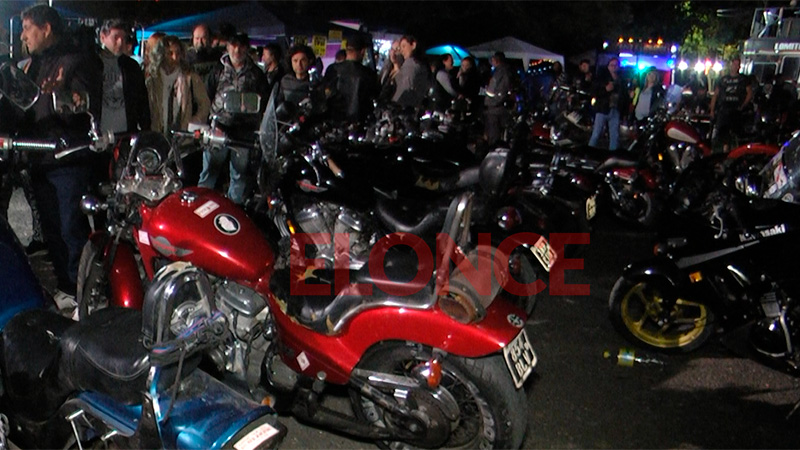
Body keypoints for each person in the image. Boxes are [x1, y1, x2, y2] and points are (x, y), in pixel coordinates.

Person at [18, 4, 103, 309]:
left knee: (70, 230)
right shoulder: (31, 66)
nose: (23, 36)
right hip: (39, 157)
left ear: (46, 28)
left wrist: (60, 99)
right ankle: (67, 287)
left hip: (68, 159)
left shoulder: (76, 61)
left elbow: (84, 106)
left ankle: (86, 295)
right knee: (51, 229)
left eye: (27, 28)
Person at [199, 32, 267, 205]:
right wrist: (208, 123)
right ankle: (200, 206)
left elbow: (263, 101)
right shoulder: (218, 70)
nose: (237, 50)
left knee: (239, 173)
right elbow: (206, 96)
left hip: (245, 130)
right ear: (228, 47)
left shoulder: (256, 73)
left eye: (241, 46)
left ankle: (234, 209)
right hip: (219, 126)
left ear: (247, 48)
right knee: (209, 170)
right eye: (233, 45)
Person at [145, 35, 210, 136]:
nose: (175, 57)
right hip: (158, 136)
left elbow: (205, 104)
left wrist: (194, 121)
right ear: (161, 55)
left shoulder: (190, 78)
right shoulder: (152, 81)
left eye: (178, 53)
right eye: (170, 53)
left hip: (183, 137)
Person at [98, 19, 150, 135]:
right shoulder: (93, 65)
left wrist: (145, 129)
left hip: (126, 132)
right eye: (116, 37)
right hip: (100, 132)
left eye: (124, 38)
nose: (120, 42)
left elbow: (142, 102)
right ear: (103, 37)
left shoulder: (131, 67)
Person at [323, 35, 378, 122]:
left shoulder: (332, 70)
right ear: (362, 51)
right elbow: (374, 98)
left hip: (334, 121)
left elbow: (324, 96)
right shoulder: (368, 74)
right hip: (359, 122)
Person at [710, 57, 754, 152]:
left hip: (736, 110)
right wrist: (712, 110)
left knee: (736, 133)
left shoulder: (743, 79)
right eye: (734, 64)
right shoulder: (723, 79)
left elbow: (749, 93)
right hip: (724, 110)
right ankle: (724, 151)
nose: (735, 67)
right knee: (723, 133)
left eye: (737, 65)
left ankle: (737, 151)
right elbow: (715, 95)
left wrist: (743, 105)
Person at [589, 57, 627, 150]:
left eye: (616, 65)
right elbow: (594, 92)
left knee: (614, 135)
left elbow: (623, 96)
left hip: (615, 109)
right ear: (608, 66)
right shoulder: (601, 78)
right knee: (596, 133)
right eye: (612, 65)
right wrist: (605, 90)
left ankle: (612, 153)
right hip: (603, 109)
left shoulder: (621, 79)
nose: (614, 67)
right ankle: (589, 151)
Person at [391, 35, 429, 108]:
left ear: (413, 45)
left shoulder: (410, 63)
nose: (401, 50)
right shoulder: (420, 64)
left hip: (401, 106)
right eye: (400, 48)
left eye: (404, 46)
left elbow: (406, 88)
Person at [484, 51, 512, 145]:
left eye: (493, 60)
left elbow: (499, 90)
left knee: (494, 134)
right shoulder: (500, 71)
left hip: (495, 107)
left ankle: (494, 148)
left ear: (496, 60)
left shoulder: (501, 72)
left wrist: (492, 101)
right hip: (495, 106)